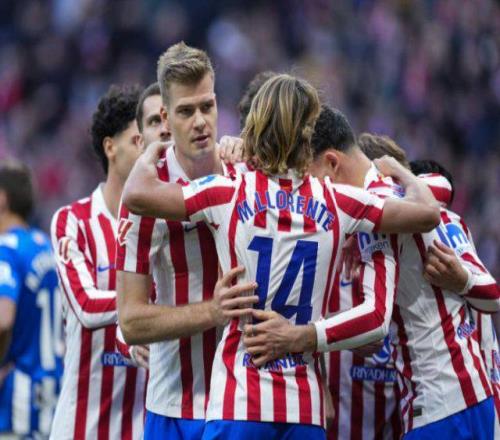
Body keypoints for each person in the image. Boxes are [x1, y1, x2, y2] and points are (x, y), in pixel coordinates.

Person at [122, 74, 439, 439]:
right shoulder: (339, 202)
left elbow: (137, 194)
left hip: (241, 400)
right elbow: (427, 212)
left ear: (256, 129)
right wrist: (399, 171)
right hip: (304, 407)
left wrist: (154, 148)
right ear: (307, 136)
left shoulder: (228, 192)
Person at [254, 110, 498, 438]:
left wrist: (297, 336)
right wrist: (400, 173)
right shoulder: (400, 194)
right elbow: (441, 185)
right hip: (468, 395)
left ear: (332, 163)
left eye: (312, 179)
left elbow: (375, 319)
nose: (313, 194)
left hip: (441, 407)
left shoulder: (378, 213)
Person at [116, 42, 256, 440]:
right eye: (185, 111)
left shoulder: (247, 173)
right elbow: (130, 320)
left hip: (243, 403)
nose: (200, 122)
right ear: (165, 117)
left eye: (206, 107)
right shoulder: (144, 196)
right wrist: (212, 311)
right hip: (173, 408)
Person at [50, 85, 148, 440]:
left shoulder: (159, 228)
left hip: (139, 429)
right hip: (80, 429)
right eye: (138, 140)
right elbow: (86, 305)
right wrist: (148, 310)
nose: (149, 150)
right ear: (110, 147)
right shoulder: (72, 221)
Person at [410, 159, 500, 438]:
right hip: (475, 396)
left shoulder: (447, 227)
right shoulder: (456, 229)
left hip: (452, 400)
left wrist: (462, 281)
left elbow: (494, 298)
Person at [0, 161, 62, 438]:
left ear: (2, 199)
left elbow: (3, 320)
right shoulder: (47, 247)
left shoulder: (6, 249)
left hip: (15, 403)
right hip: (53, 397)